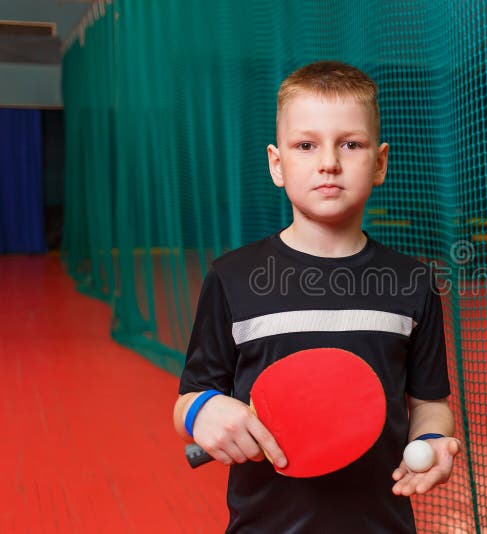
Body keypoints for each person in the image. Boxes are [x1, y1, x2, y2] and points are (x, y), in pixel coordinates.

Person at [172, 60, 460, 533]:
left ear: (381, 162)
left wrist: (433, 441)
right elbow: (186, 401)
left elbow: (430, 402)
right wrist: (204, 410)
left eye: (351, 144)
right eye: (306, 145)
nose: (329, 161)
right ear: (277, 164)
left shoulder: (413, 282)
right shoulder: (232, 277)